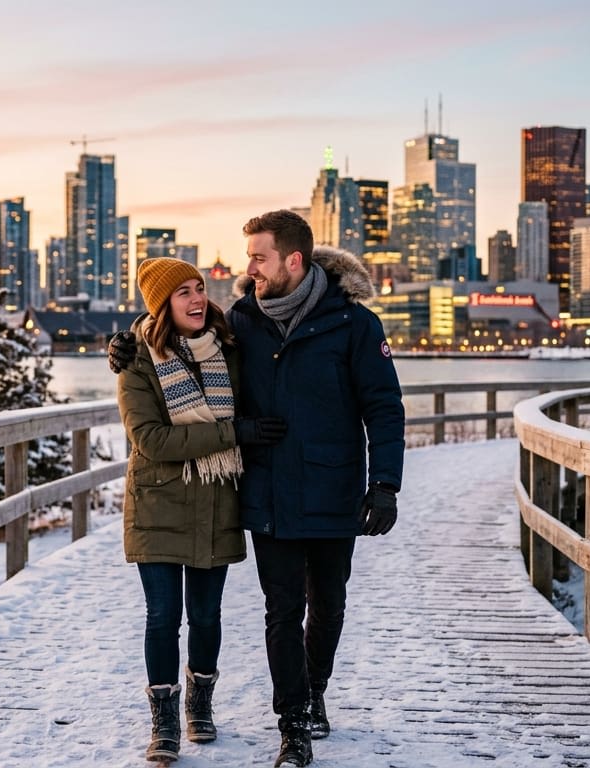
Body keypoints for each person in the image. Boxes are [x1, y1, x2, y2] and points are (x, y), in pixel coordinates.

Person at [110, 211, 404, 767]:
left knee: (330, 605)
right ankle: (292, 726)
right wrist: (123, 343)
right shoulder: (243, 321)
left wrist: (384, 482)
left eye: (258, 258)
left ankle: (315, 691)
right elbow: (172, 328)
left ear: (293, 260)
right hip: (268, 493)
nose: (249, 270)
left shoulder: (355, 324)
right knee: (281, 611)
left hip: (334, 489)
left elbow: (384, 408)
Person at [117, 257, 287, 763]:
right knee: (162, 616)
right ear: (161, 306)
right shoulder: (137, 360)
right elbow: (150, 439)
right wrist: (234, 433)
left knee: (208, 616)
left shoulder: (227, 348)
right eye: (182, 293)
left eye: (199, 288)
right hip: (158, 504)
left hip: (217, 502)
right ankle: (164, 720)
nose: (196, 299)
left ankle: (200, 703)